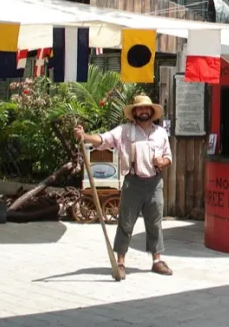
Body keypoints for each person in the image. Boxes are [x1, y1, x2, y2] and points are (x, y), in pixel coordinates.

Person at [74, 94, 173, 279]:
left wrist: (163, 161)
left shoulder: (160, 133)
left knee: (155, 223)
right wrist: (85, 136)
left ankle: (157, 261)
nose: (143, 111)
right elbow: (103, 140)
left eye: (146, 109)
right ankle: (120, 263)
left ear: (151, 112)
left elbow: (169, 157)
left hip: (154, 183)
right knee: (125, 223)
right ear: (134, 112)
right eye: (139, 109)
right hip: (132, 183)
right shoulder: (124, 131)